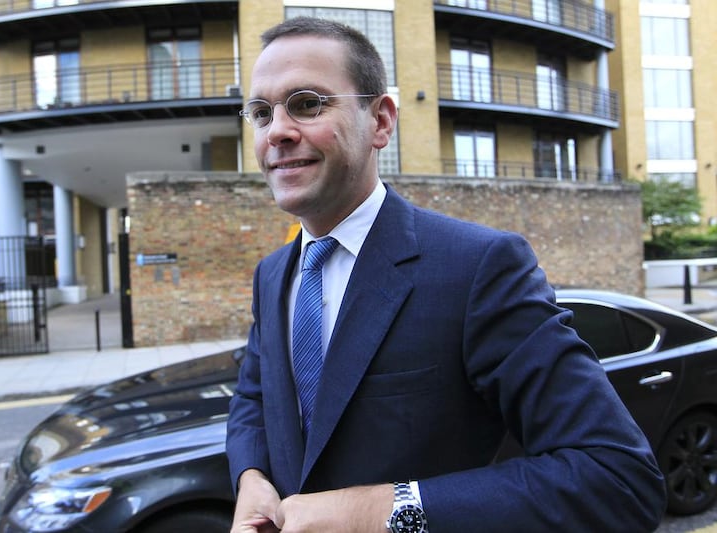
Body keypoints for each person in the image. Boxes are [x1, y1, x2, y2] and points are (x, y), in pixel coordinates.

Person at [226, 16, 666, 533]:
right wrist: (252, 477)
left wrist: (377, 512)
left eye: (306, 103)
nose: (276, 131)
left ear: (382, 121)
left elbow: (617, 478)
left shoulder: (478, 267)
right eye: (260, 112)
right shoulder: (273, 274)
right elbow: (255, 399)